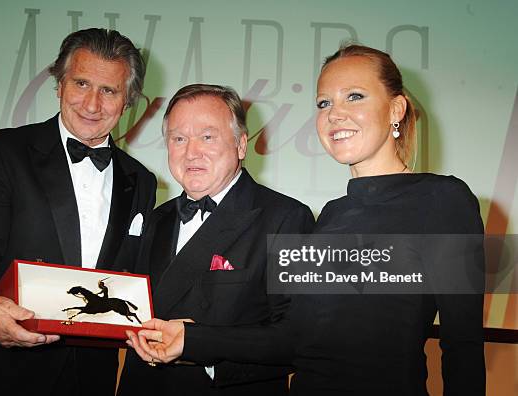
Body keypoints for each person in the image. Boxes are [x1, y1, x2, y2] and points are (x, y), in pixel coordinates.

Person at [127, 45, 485, 395]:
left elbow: (463, 346)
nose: (335, 114)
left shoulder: (444, 199)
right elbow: (295, 337)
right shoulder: (330, 216)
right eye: (324, 103)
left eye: (355, 96)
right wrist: (195, 340)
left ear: (396, 109)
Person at [0, 28, 157, 395]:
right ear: (59, 85)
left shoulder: (141, 180)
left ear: (128, 100)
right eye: (81, 83)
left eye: (109, 91)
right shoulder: (1, 152)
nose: (92, 104)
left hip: (88, 378)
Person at [117, 84, 315, 396]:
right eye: (179, 139)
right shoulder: (155, 219)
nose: (191, 151)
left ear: (240, 145)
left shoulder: (286, 218)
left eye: (207, 137)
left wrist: (197, 344)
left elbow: (297, 339)